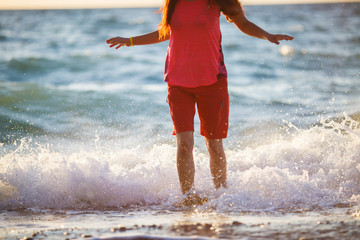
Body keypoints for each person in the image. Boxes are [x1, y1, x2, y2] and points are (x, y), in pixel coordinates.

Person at [106, 0, 293, 200]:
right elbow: (166, 32)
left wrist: (267, 35)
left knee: (214, 144)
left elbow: (242, 23)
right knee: (184, 143)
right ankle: (187, 198)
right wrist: (130, 41)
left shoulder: (217, 1)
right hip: (177, 82)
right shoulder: (173, 2)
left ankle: (223, 197)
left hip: (212, 81)